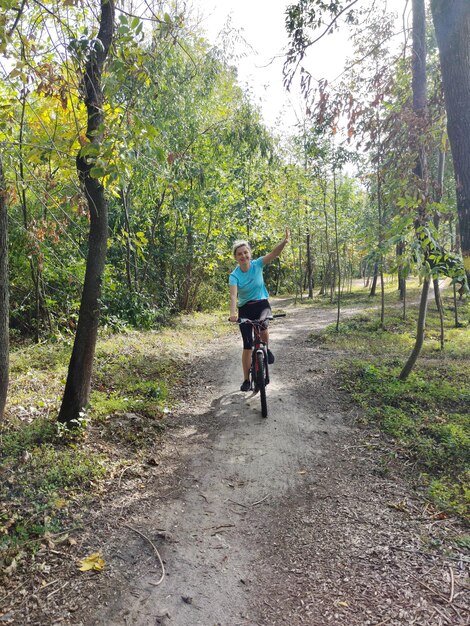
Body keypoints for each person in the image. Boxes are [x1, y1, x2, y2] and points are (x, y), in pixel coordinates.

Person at [229, 229, 290, 391]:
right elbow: (234, 296)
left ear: (250, 253)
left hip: (261, 304)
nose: (243, 256)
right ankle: (246, 380)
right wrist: (233, 313)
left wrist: (284, 242)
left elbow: (273, 254)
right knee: (247, 345)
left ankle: (266, 348)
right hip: (245, 309)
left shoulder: (257, 264)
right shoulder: (234, 276)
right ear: (235, 257)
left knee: (264, 325)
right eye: (239, 254)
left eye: (245, 252)